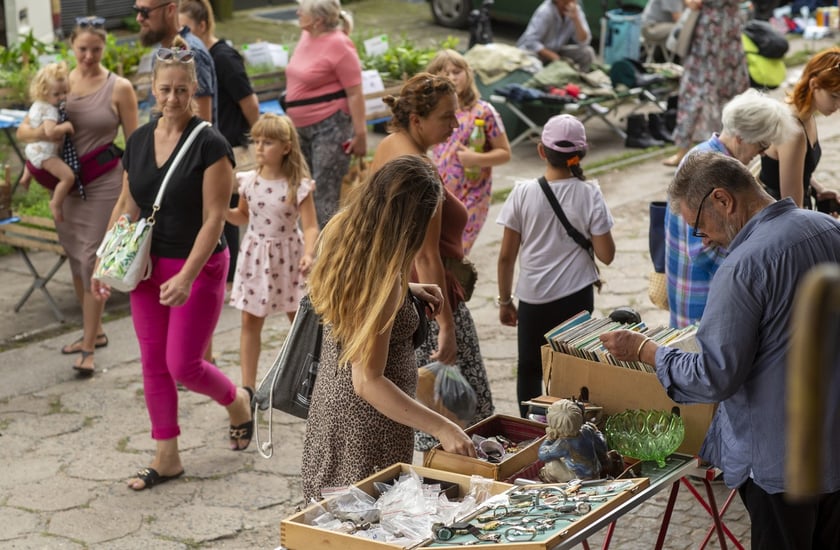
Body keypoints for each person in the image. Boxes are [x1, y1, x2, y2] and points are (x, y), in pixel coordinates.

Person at [600, 152, 840, 550]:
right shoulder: (827, 229)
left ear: (723, 200)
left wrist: (646, 351)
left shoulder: (745, 265)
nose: (703, 240)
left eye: (698, 227)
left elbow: (714, 375)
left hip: (782, 461)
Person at [92, 38, 253, 491]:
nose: (173, 99)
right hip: (146, 265)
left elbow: (215, 219)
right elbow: (128, 203)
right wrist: (104, 259)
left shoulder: (211, 144)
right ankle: (167, 455)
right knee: (153, 364)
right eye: (165, 89)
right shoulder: (140, 139)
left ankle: (236, 400)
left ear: (195, 90)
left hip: (197, 266)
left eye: (182, 90)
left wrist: (185, 275)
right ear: (152, 89)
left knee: (183, 364)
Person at [302, 155, 475, 502]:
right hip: (364, 429)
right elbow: (368, 380)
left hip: (336, 411)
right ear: (411, 221)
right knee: (359, 525)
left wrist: (407, 292)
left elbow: (352, 302)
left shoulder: (346, 229)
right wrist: (441, 425)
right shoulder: (380, 279)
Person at [372, 73, 495, 452]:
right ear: (417, 120)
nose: (455, 125)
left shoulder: (389, 146)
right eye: (446, 116)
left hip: (401, 295)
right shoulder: (417, 168)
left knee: (432, 412)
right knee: (459, 419)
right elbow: (425, 255)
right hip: (429, 303)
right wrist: (446, 326)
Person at [16, 16, 139, 374]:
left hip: (104, 183)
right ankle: (95, 331)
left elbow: (134, 145)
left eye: (96, 49)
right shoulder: (58, 82)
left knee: (91, 261)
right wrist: (38, 134)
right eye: (82, 49)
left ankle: (88, 348)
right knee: (75, 258)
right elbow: (26, 128)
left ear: (105, 48)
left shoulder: (120, 88)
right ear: (72, 46)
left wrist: (132, 194)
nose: (88, 56)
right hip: (67, 187)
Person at [496, 114, 614, 418]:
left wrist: (505, 300)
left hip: (533, 299)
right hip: (576, 297)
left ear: (540, 151)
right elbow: (607, 255)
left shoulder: (522, 192)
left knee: (530, 369)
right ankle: (570, 429)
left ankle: (531, 432)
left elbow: (506, 256)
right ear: (581, 154)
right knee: (573, 369)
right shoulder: (590, 194)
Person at [665, 88, 797, 328]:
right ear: (741, 137)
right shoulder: (707, 168)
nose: (761, 153)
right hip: (701, 299)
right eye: (761, 144)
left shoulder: (714, 157)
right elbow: (702, 250)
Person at [226, 113, 319, 394]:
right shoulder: (248, 181)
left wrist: (310, 253)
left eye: (267, 142)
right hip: (255, 257)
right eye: (256, 141)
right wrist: (220, 212)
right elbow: (242, 216)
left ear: (286, 147)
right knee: (250, 320)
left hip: (289, 258)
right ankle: (248, 387)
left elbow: (311, 225)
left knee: (299, 322)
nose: (259, 148)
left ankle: (308, 382)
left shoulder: (298, 185)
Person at [178, 0, 261, 291]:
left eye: (186, 27)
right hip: (215, 144)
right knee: (218, 208)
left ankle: (230, 276)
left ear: (201, 26)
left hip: (230, 145)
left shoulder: (222, 57)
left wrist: (257, 138)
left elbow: (249, 102)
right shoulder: (194, 56)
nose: (181, 34)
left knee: (227, 208)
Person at [285, 0, 366, 228]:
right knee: (303, 188)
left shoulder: (340, 45)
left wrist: (360, 134)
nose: (298, 12)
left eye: (303, 10)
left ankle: (327, 255)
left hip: (331, 127)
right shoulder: (306, 36)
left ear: (318, 20)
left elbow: (355, 92)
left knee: (324, 195)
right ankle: (311, 250)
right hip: (301, 128)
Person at [426, 49, 511, 255]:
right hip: (441, 192)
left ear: (468, 73)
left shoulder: (484, 111)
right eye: (444, 73)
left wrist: (477, 158)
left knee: (457, 252)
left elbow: (505, 152)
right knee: (437, 251)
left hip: (471, 196)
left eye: (457, 71)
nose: (452, 78)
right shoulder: (433, 111)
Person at [662, 0, 749, 167]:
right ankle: (683, 148)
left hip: (727, 31)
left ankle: (733, 146)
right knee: (693, 90)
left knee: (730, 91)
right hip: (704, 31)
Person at [759, 47, 840, 213]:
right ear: (814, 84)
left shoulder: (806, 115)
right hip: (778, 219)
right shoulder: (793, 131)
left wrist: (819, 188)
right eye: (834, 96)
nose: (838, 105)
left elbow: (798, 169)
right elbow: (793, 210)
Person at [136, 0, 217, 123]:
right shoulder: (159, 53)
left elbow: (203, 125)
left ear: (170, 10)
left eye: (145, 12)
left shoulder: (190, 53)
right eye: (137, 10)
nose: (139, 18)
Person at [23, 62, 77, 223]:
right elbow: (50, 132)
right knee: (68, 178)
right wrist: (66, 126)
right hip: (44, 153)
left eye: (65, 92)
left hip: (32, 149)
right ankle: (56, 203)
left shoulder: (37, 105)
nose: (61, 97)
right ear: (44, 92)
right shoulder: (50, 110)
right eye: (56, 94)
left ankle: (26, 176)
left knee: (32, 154)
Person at [516, 0, 596, 72]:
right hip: (533, 53)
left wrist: (576, 19)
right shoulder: (545, 11)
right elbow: (531, 41)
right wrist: (555, 57)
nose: (571, 3)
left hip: (556, 51)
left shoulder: (575, 11)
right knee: (536, 67)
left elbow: (584, 41)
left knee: (587, 53)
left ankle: (578, 80)